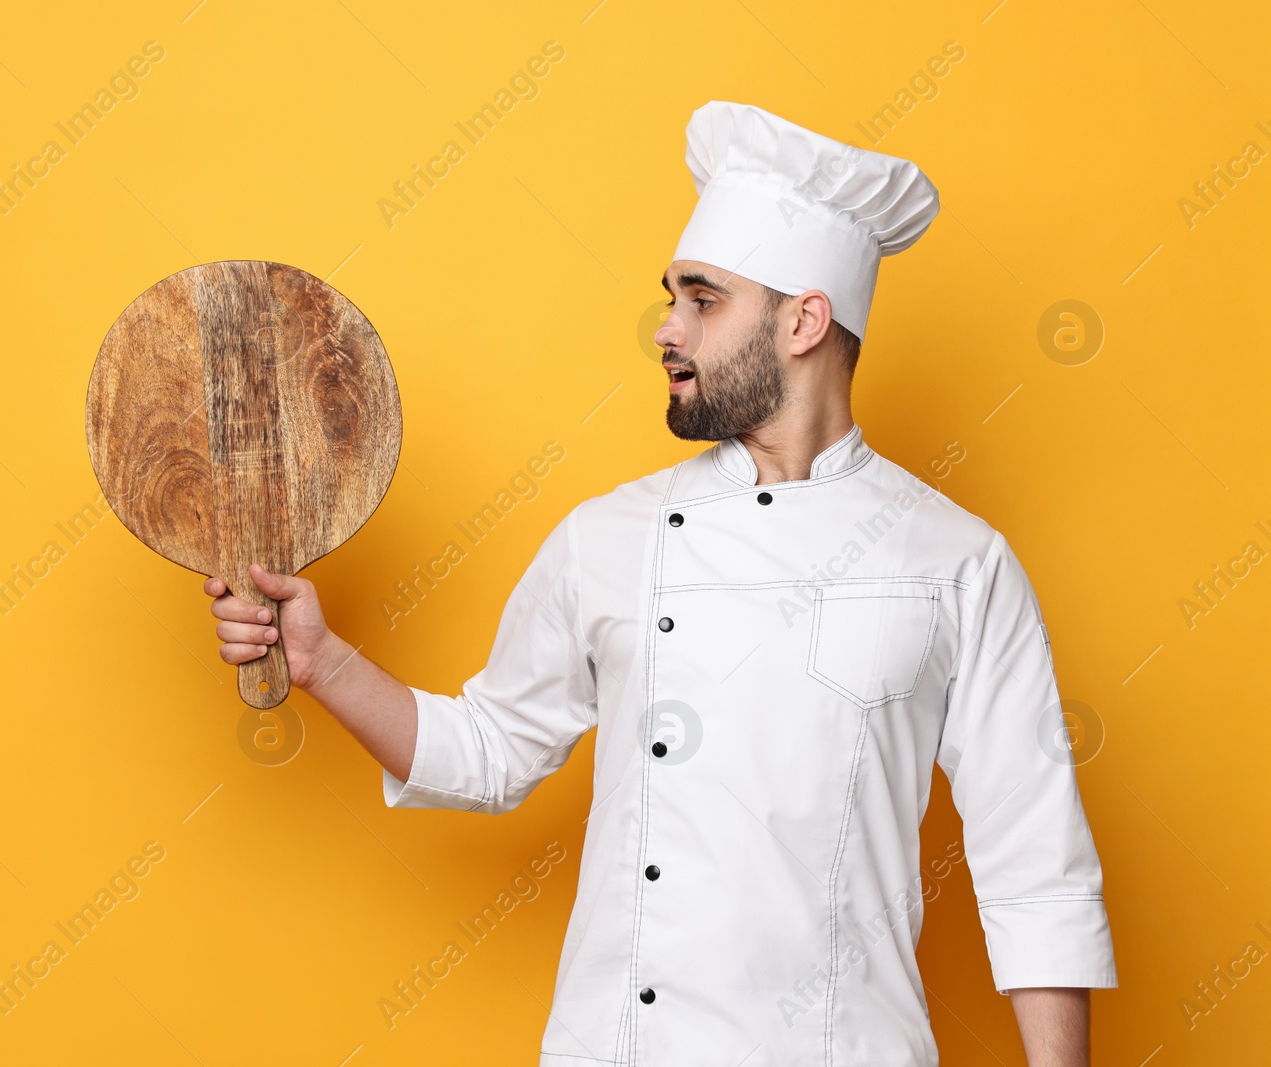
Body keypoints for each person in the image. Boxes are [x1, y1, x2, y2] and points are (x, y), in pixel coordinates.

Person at [205, 101, 1116, 1066]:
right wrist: (324, 660)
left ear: (805, 319)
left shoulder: (957, 561)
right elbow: (488, 751)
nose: (666, 329)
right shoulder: (610, 536)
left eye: (703, 299)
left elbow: (1035, 862)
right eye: (671, 297)